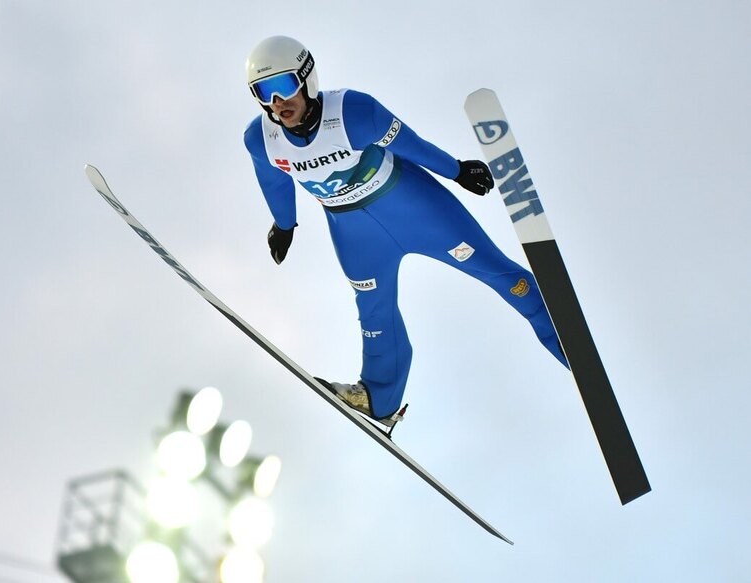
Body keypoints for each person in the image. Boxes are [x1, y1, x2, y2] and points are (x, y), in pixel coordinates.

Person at [243, 35, 568, 424]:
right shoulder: (261, 138)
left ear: (307, 78)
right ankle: (378, 402)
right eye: (264, 92)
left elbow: (412, 144)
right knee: (374, 314)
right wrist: (284, 225)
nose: (277, 103)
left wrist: (457, 170)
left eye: (283, 86)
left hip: (414, 208)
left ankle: (565, 337)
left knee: (493, 270)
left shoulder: (354, 111)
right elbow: (274, 181)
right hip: (355, 234)